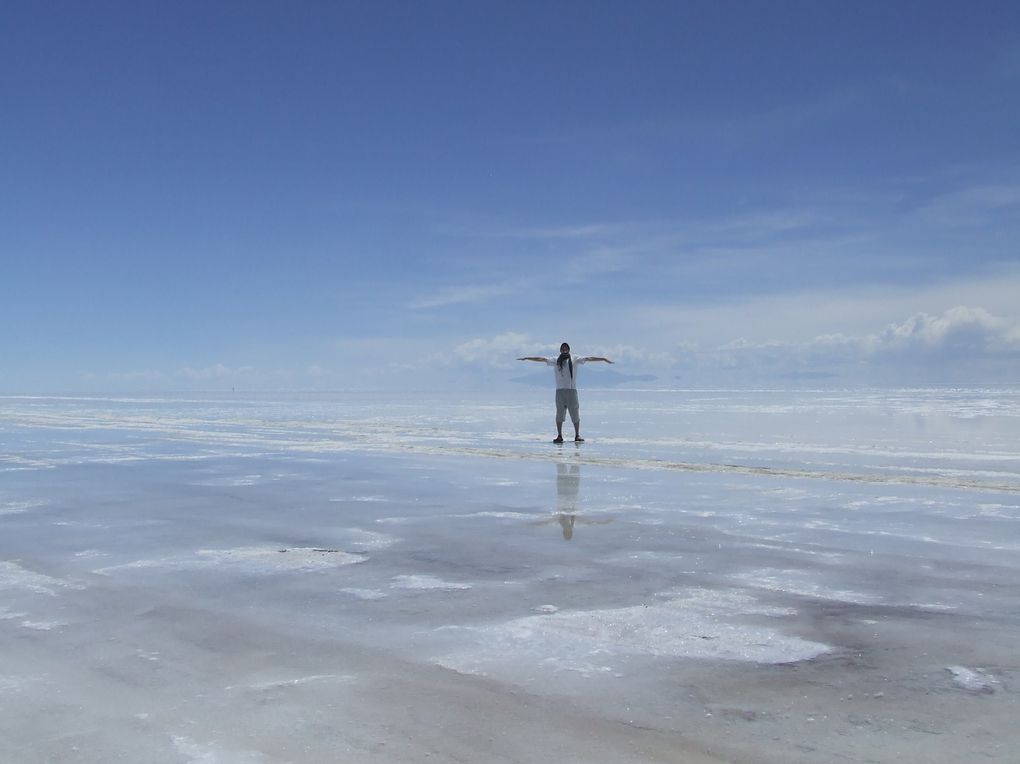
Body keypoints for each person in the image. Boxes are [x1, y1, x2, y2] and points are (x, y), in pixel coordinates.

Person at [517, 342, 613, 443]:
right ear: (560, 350)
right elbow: (542, 359)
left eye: (566, 348)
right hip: (560, 391)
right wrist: (527, 358)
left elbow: (589, 358)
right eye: (562, 348)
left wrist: (603, 359)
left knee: (575, 413)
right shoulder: (556, 360)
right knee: (559, 414)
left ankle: (577, 435)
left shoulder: (574, 358)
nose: (564, 349)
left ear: (569, 349)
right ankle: (559, 436)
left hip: (571, 390)